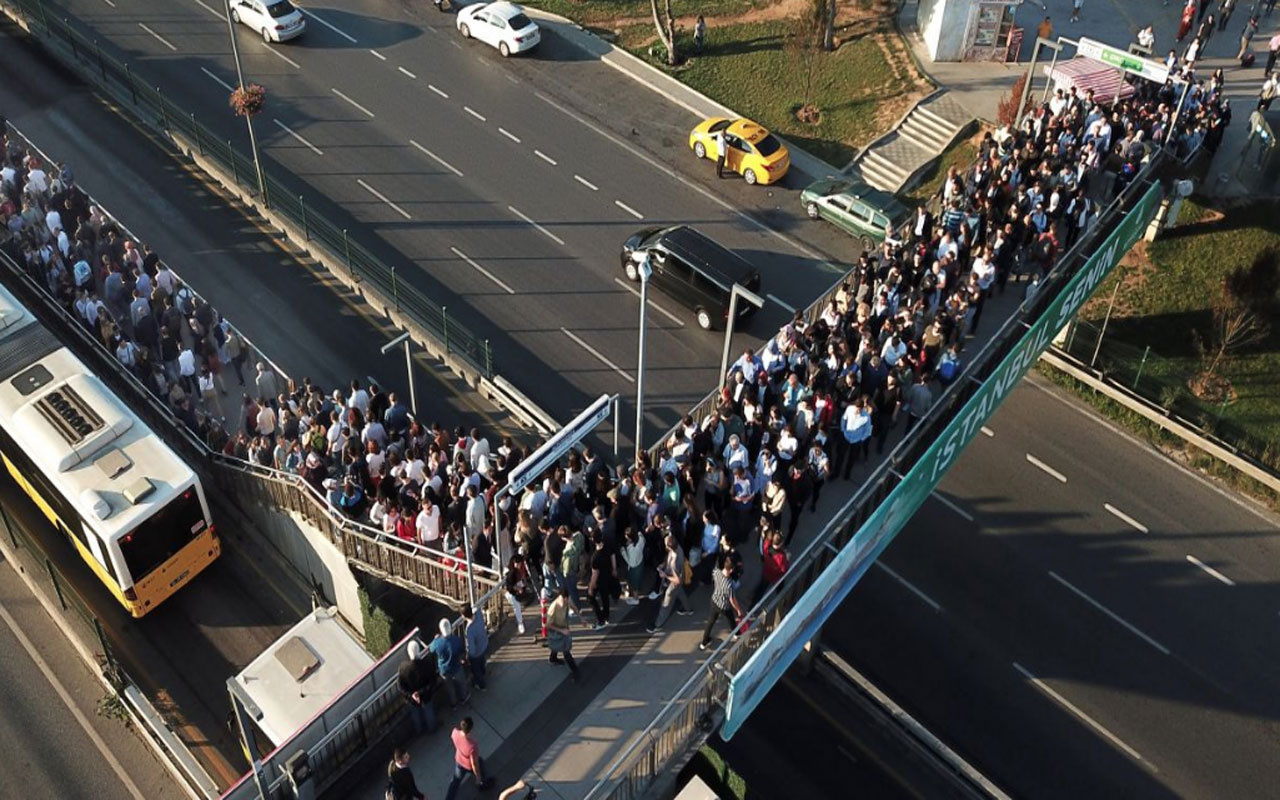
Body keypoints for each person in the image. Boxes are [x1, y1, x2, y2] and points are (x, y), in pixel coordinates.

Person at [646, 534, 693, 632]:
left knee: (666, 605)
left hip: (673, 584)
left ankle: (657, 624)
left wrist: (665, 575)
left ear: (669, 546)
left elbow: (677, 580)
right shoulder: (678, 548)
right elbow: (669, 557)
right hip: (679, 579)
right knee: (681, 593)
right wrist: (663, 565)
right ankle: (688, 609)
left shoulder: (674, 563)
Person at [699, 559, 744, 651]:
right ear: (731, 570)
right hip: (724, 606)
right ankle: (736, 633)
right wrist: (738, 610)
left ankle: (704, 642)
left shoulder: (716, 572)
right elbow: (732, 600)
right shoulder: (729, 584)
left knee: (710, 622)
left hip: (714, 601)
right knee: (731, 619)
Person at [445, 717, 494, 800]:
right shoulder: (472, 746)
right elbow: (474, 764)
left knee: (455, 782)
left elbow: (454, 740)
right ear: (470, 730)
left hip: (459, 761)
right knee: (481, 768)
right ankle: (483, 784)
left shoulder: (455, 732)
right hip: (469, 765)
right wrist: (478, 777)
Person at [397, 639, 438, 735]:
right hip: (426, 695)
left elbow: (400, 686)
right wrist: (421, 692)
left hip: (412, 699)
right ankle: (432, 728)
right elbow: (432, 681)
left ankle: (419, 730)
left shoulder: (403, 668)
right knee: (429, 712)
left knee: (415, 714)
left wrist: (412, 694)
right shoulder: (426, 664)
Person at [429, 619, 471, 709]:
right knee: (462, 683)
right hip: (457, 667)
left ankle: (454, 704)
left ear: (440, 630)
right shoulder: (457, 640)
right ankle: (464, 698)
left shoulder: (437, 643)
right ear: (450, 628)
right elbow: (462, 651)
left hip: (445, 670)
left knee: (450, 688)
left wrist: (435, 639)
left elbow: (431, 649)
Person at [546, 586, 581, 681]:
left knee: (556, 646)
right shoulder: (553, 607)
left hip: (563, 629)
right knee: (566, 652)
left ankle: (553, 659)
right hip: (558, 631)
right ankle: (575, 671)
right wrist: (562, 631)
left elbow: (573, 606)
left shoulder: (566, 600)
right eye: (564, 599)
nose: (565, 601)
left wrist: (580, 617)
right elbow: (548, 625)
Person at [461, 605, 489, 692]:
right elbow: (477, 608)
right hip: (484, 644)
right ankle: (483, 671)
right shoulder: (478, 614)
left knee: (476, 670)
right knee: (482, 661)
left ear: (464, 616)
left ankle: (481, 685)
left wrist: (469, 655)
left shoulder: (469, 630)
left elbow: (471, 646)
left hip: (476, 653)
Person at [504, 554, 531, 635]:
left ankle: (520, 622)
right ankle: (520, 623)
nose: (519, 565)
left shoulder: (518, 570)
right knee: (517, 607)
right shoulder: (511, 573)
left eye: (520, 563)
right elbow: (509, 587)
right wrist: (517, 589)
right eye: (517, 563)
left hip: (517, 590)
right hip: (512, 592)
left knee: (517, 606)